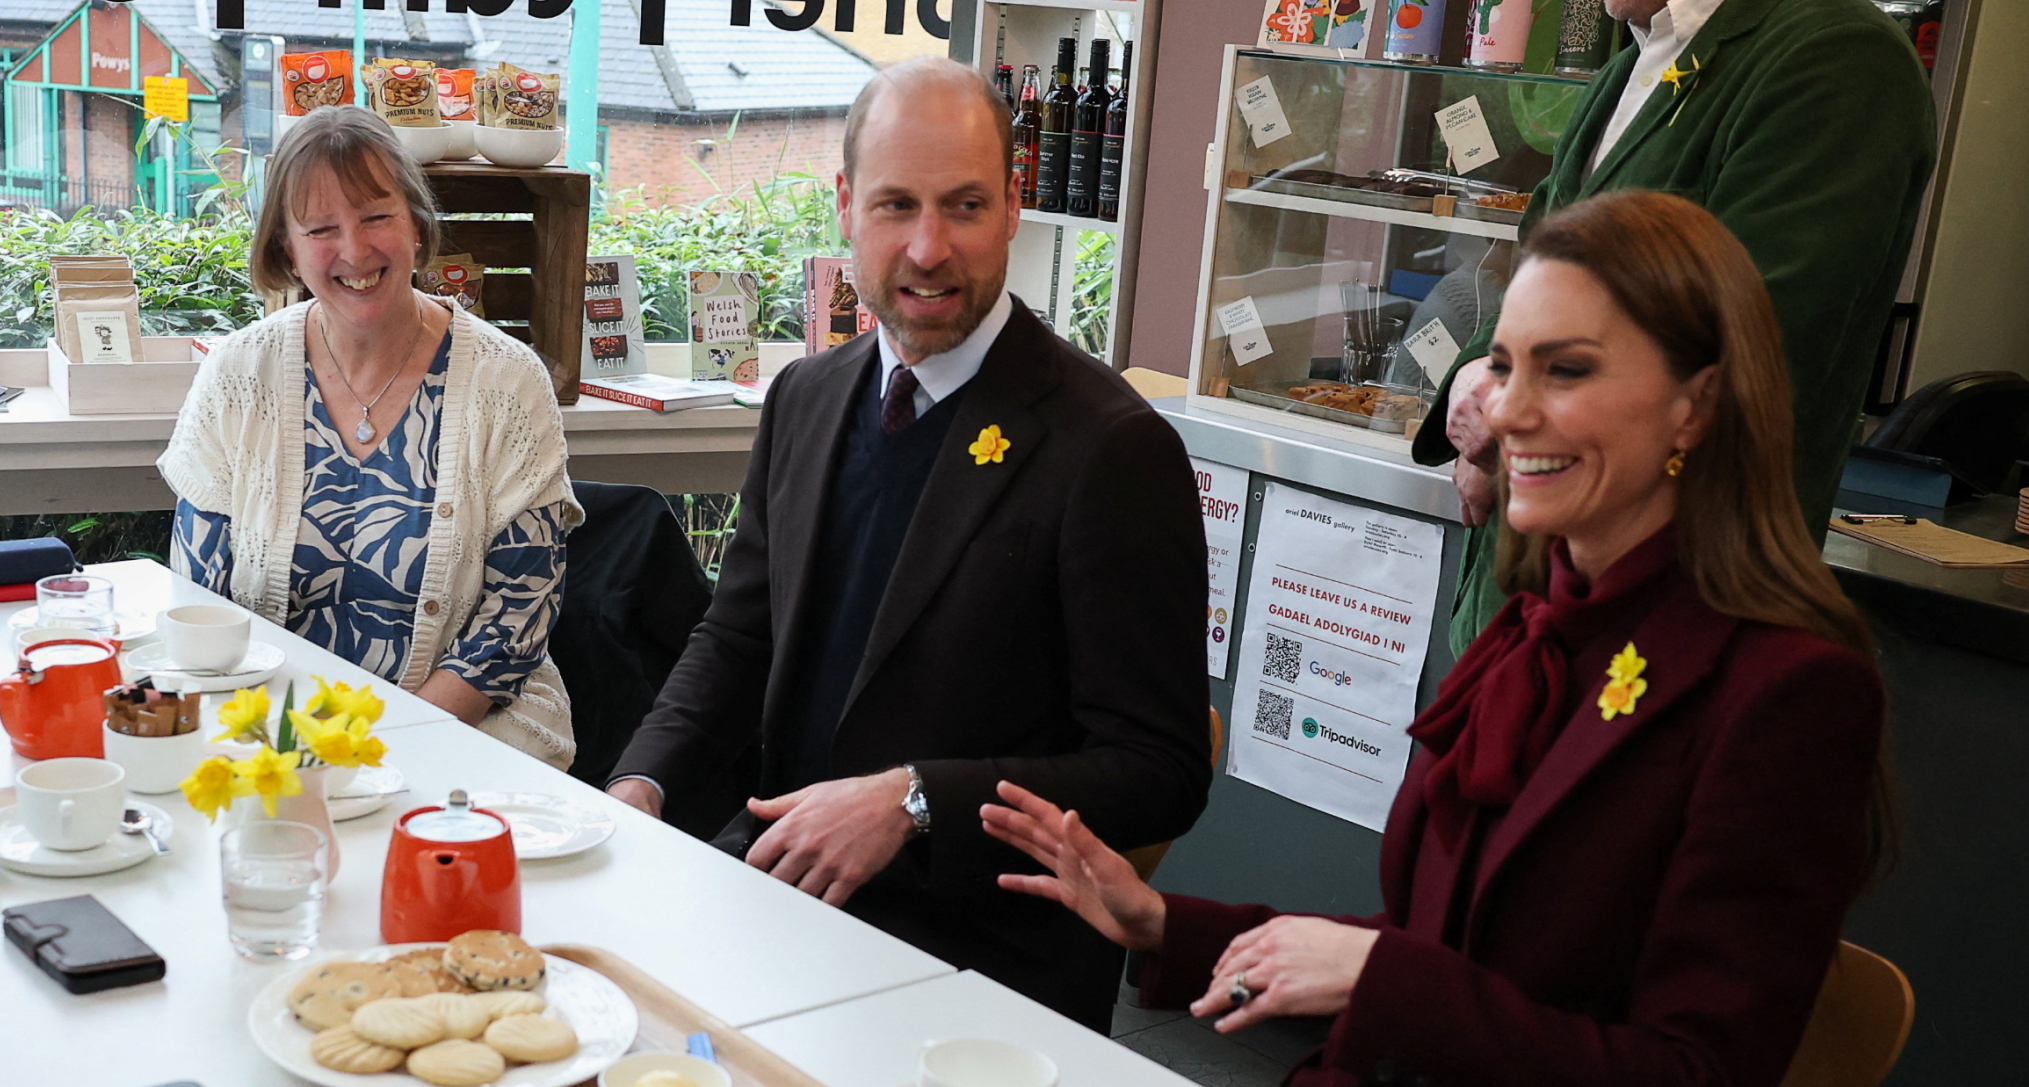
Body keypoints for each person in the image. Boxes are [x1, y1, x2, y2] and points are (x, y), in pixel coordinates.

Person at [986, 191, 1890, 1085]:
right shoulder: (1532, 627)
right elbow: (1441, 952)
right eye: (1502, 366)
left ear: (1696, 405)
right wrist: (1161, 923)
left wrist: (1384, 981)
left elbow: (1694, 1068)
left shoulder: (1788, 693)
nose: (1506, 412)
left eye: (1565, 370)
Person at [605, 57, 1211, 1030]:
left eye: (964, 206)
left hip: (978, 960)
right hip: (779, 893)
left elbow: (1161, 771)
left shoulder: (1112, 449)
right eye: (896, 206)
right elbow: (737, 637)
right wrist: (643, 783)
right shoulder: (806, 397)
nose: (928, 248)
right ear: (846, 206)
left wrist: (916, 799)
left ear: (1014, 205)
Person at [1417, 0, 1936, 657]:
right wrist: (1476, 380)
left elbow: (1750, 339)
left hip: (1664, 618)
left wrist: (1503, 409)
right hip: (1521, 610)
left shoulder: (1839, 58)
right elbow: (1530, 269)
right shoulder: (1628, 66)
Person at [159, 106, 581, 769]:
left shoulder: (508, 382)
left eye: (376, 216)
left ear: (417, 223)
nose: (355, 251)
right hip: (271, 743)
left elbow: (515, 625)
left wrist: (372, 753)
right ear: (286, 250)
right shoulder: (238, 375)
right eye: (321, 229)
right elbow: (202, 608)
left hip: (468, 742)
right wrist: (293, 755)